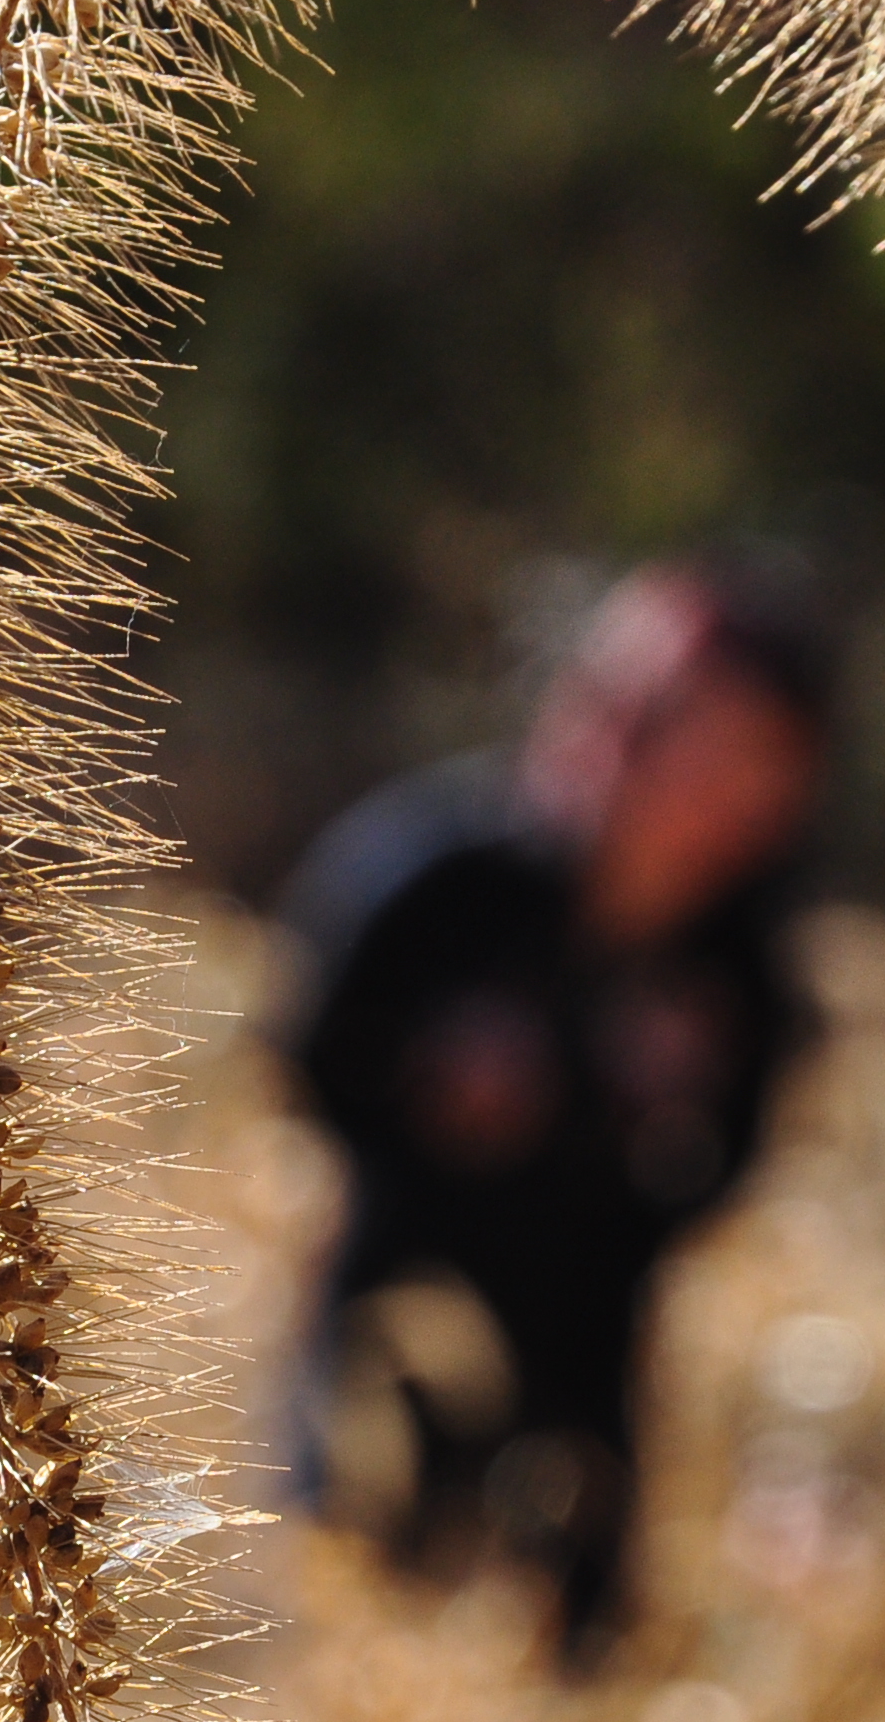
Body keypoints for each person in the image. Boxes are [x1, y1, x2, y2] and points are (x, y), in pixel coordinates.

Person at [274, 559, 833, 1653]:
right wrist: (435, 1085)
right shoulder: (436, 875)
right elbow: (309, 1056)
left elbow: (726, 1171)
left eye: (710, 740)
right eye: (628, 704)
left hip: (585, 1395)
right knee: (352, 1640)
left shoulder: (742, 970)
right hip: (387, 1348)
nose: (626, 739)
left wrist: (647, 1118)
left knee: (566, 1673)